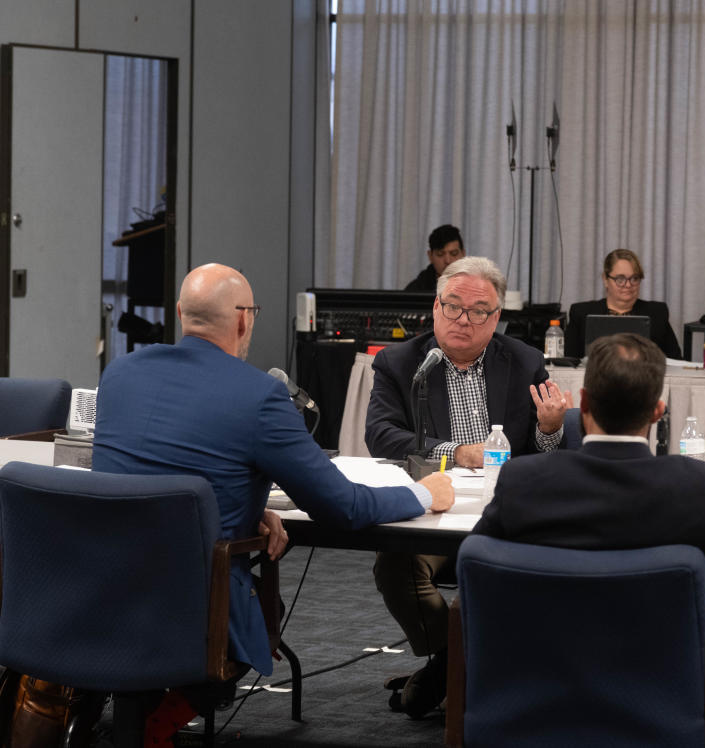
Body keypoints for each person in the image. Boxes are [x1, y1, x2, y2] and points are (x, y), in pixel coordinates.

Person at [93, 263, 454, 743]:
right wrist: (422, 493)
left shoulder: (120, 373)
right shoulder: (261, 396)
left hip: (100, 584)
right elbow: (341, 506)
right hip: (195, 597)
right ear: (244, 320)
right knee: (264, 608)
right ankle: (160, 723)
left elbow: (151, 467)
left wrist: (245, 505)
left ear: (181, 314)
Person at [366, 255, 570, 718]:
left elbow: (544, 453)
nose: (463, 319)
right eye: (453, 306)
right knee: (394, 563)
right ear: (435, 308)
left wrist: (550, 427)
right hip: (434, 510)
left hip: (504, 514)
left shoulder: (523, 361)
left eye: (478, 311)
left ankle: (445, 669)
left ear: (495, 318)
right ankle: (453, 656)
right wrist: (456, 452)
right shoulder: (401, 364)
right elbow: (381, 435)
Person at [473, 332, 705, 602]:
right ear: (657, 411)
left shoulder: (522, 479)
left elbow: (476, 563)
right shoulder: (700, 486)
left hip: (546, 644)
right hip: (660, 645)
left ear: (584, 403)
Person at [564, 248, 681, 359]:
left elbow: (675, 360)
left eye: (634, 278)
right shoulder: (581, 313)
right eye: (620, 279)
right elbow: (569, 361)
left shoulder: (657, 313)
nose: (628, 285)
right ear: (605, 279)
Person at [404, 224, 465, 292]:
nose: (447, 260)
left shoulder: (476, 286)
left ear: (463, 254)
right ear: (430, 256)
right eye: (440, 254)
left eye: (454, 254)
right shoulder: (416, 290)